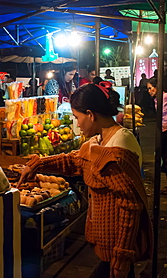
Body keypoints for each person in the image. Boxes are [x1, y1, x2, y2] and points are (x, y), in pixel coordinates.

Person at [19, 81, 153, 277]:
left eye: (77, 117)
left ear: (91, 114)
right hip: (107, 248)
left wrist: (121, 257)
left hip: (117, 251)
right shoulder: (100, 139)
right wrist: (38, 163)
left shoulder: (118, 148)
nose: (77, 124)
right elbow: (75, 160)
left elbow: (130, 207)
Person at [147, 77, 167, 176]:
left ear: (157, 87)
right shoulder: (156, 100)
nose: (149, 91)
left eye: (150, 88)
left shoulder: (165, 97)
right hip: (162, 130)